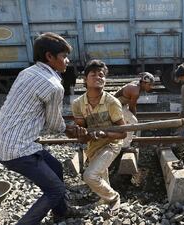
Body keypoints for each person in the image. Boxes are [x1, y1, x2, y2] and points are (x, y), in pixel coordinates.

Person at [0, 32, 84, 224]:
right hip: (18, 150)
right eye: (64, 56)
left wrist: (67, 127)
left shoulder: (28, 72)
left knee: (55, 167)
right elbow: (55, 125)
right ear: (49, 56)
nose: (67, 61)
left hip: (1, 143)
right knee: (56, 189)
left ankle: (61, 212)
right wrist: (71, 129)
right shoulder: (54, 85)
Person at [71, 59, 126, 213]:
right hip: (93, 146)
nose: (98, 77)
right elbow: (82, 133)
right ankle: (104, 200)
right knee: (101, 174)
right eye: (93, 74)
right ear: (84, 80)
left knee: (90, 176)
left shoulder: (112, 102)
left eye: (101, 75)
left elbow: (123, 132)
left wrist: (105, 133)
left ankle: (114, 197)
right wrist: (82, 133)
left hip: (111, 143)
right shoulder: (78, 104)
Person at [114, 72, 155, 148]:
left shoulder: (137, 85)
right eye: (149, 85)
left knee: (128, 121)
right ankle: (125, 146)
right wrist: (134, 116)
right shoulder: (135, 91)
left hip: (121, 104)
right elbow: (132, 107)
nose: (150, 87)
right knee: (133, 121)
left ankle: (124, 140)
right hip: (116, 106)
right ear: (143, 83)